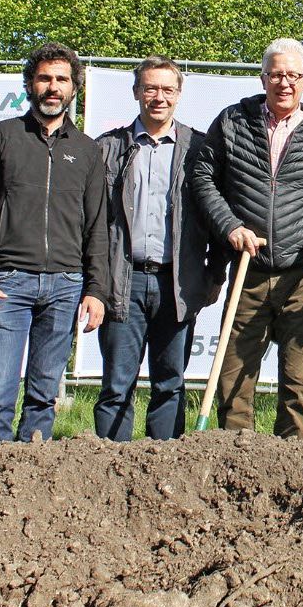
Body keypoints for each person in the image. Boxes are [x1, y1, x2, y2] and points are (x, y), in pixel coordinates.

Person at [191, 38, 303, 438]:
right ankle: (232, 459)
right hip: (248, 267)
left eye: (293, 75)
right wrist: (230, 227)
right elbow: (203, 177)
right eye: (276, 74)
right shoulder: (231, 122)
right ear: (263, 78)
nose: (284, 83)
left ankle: (292, 462)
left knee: (299, 382)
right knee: (234, 377)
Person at [0, 42, 108, 442]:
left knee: (43, 396)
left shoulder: (88, 150)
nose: (53, 87)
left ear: (74, 87)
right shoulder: (0, 137)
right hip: (7, 283)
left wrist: (96, 289)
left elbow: (97, 227)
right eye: (45, 78)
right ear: (30, 84)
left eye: (62, 79)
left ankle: (32, 480)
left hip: (65, 285)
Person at [94, 56, 223, 440]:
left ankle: (163, 470)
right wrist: (95, 283)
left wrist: (214, 276)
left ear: (179, 94)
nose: (158, 97)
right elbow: (94, 223)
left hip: (178, 283)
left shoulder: (199, 148)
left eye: (167, 89)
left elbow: (217, 217)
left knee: (170, 382)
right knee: (117, 384)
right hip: (123, 280)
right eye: (150, 88)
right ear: (137, 92)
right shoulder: (109, 148)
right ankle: (108, 470)